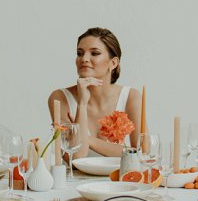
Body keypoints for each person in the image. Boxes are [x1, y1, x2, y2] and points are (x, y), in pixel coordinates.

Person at [47, 27, 141, 158]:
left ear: (113, 63)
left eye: (95, 53)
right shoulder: (59, 98)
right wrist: (82, 103)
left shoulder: (131, 96)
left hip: (120, 172)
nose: (84, 59)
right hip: (75, 173)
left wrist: (87, 140)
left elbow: (142, 155)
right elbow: (75, 157)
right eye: (80, 53)